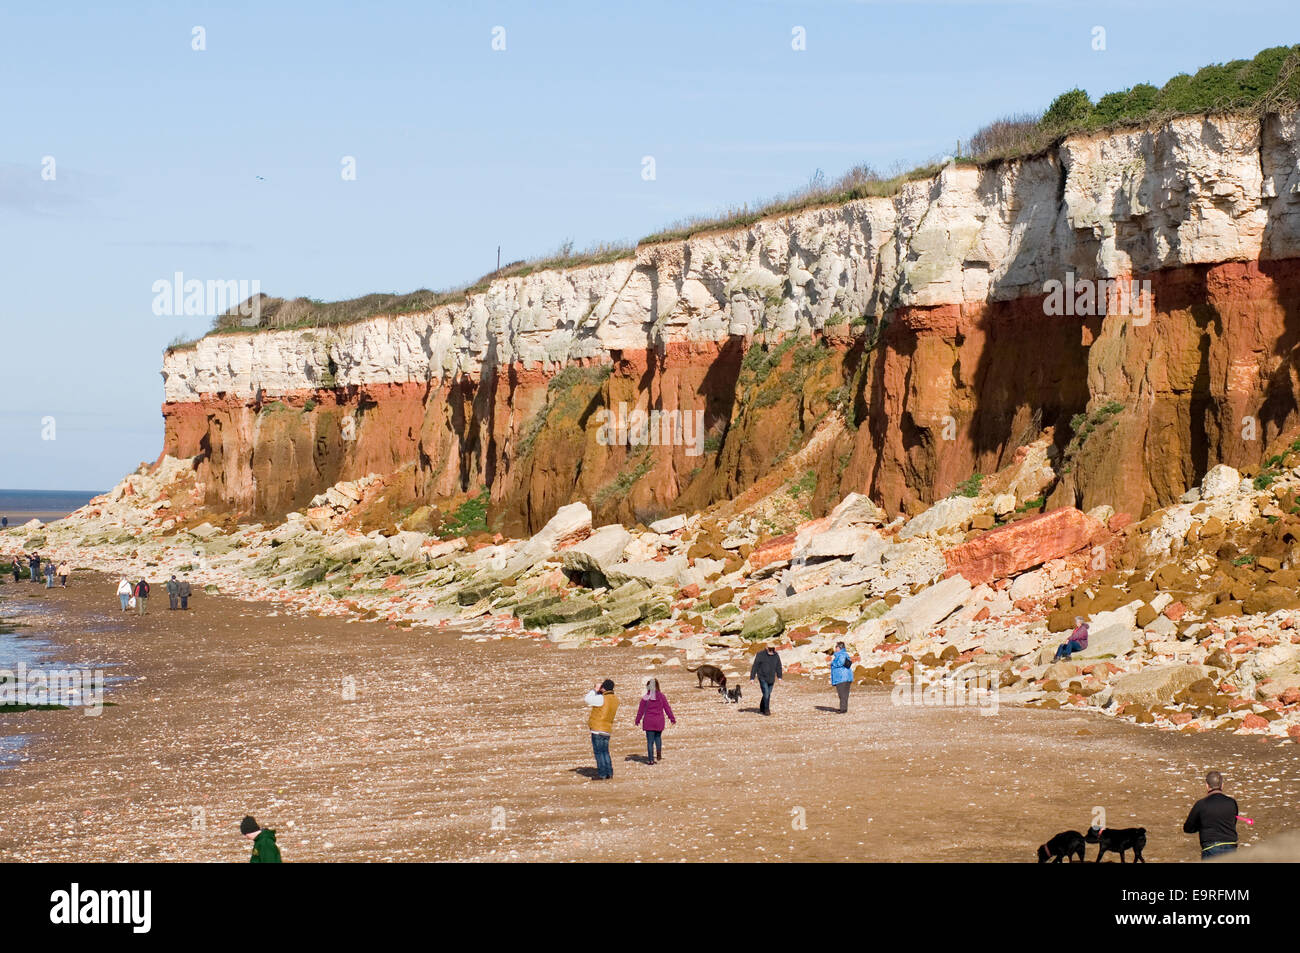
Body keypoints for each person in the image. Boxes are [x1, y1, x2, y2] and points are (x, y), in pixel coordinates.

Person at [1184, 770, 1239, 860]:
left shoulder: (1201, 804)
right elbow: (1233, 822)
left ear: (1207, 786)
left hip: (1211, 848)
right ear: (1222, 785)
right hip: (1231, 848)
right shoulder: (1232, 803)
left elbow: (1188, 828)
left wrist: (1202, 825)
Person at [633, 678, 676, 765]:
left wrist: (637, 720)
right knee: (658, 738)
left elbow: (640, 710)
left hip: (649, 721)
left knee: (650, 742)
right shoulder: (661, 696)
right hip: (659, 721)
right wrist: (672, 718)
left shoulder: (645, 697)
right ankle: (659, 753)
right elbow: (667, 708)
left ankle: (651, 760)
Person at [583, 678, 619, 780]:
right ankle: (609, 772)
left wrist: (594, 690)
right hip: (607, 729)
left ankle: (602, 774)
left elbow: (587, 699)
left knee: (599, 752)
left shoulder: (601, 699)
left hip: (597, 729)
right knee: (605, 752)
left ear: (603, 688)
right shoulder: (615, 699)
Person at [749, 644, 783, 716]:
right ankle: (767, 710)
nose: (771, 650)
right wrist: (752, 678)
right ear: (766, 647)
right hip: (762, 677)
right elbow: (755, 666)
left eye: (772, 648)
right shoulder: (760, 654)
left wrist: (779, 677)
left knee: (767, 694)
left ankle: (762, 707)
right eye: (770, 648)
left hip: (771, 678)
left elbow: (778, 666)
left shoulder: (776, 655)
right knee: (766, 694)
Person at [830, 641, 854, 713]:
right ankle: (843, 708)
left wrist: (832, 663)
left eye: (836, 647)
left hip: (841, 677)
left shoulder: (841, 655)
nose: (835, 648)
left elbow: (840, 662)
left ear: (839, 648)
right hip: (846, 677)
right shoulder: (845, 654)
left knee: (842, 694)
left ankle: (843, 709)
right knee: (844, 694)